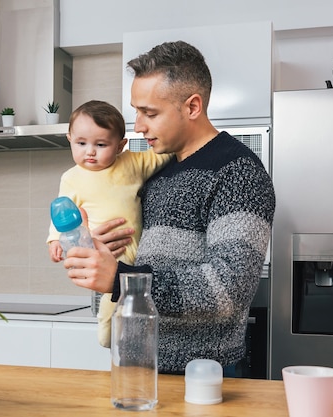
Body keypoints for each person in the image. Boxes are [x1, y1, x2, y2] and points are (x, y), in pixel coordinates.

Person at [60, 41, 276, 374]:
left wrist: (121, 279)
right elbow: (128, 279)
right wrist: (102, 256)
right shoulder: (156, 172)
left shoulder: (237, 171)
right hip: (135, 365)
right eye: (136, 110)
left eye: (150, 113)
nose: (137, 126)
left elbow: (227, 290)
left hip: (200, 373)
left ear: (192, 107)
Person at [47, 100, 172, 347]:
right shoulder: (71, 178)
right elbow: (62, 211)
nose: (90, 151)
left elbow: (165, 154)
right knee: (113, 298)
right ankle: (107, 335)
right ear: (69, 138)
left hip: (142, 251)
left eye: (101, 144)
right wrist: (53, 239)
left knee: (139, 299)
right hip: (108, 253)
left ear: (120, 146)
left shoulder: (132, 163)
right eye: (81, 143)